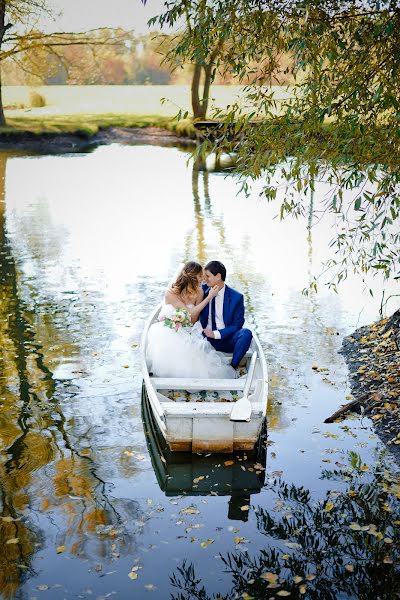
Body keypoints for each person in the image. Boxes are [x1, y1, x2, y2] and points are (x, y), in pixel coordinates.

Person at [146, 261, 236, 379]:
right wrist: (210, 297)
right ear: (192, 278)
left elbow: (193, 318)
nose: (203, 279)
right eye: (200, 276)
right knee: (169, 340)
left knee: (192, 347)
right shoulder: (171, 294)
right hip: (168, 327)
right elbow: (190, 312)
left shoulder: (199, 292)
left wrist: (186, 325)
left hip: (189, 327)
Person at [200, 261, 252, 369]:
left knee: (246, 333)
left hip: (226, 339)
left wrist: (215, 334)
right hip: (204, 339)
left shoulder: (236, 297)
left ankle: (232, 367)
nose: (205, 279)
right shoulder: (201, 291)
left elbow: (237, 325)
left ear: (218, 276)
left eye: (208, 276)